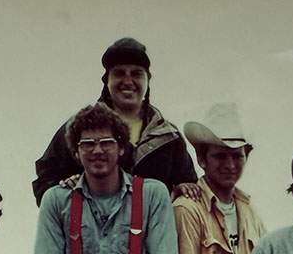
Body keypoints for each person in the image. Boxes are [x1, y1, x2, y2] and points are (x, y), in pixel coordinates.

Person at [32, 104, 205, 254]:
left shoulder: (152, 194)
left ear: (122, 147)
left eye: (106, 142)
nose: (97, 150)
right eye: (87, 144)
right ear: (76, 153)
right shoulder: (56, 200)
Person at [32, 37, 197, 206]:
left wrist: (183, 190)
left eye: (136, 73)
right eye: (119, 73)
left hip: (152, 230)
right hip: (91, 230)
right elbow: (44, 185)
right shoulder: (78, 129)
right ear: (107, 81)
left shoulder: (168, 136)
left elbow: (189, 185)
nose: (128, 81)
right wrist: (64, 189)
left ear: (148, 79)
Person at [174, 103, 267, 254]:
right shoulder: (187, 210)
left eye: (237, 156)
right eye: (220, 156)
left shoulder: (250, 212)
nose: (230, 165)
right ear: (202, 158)